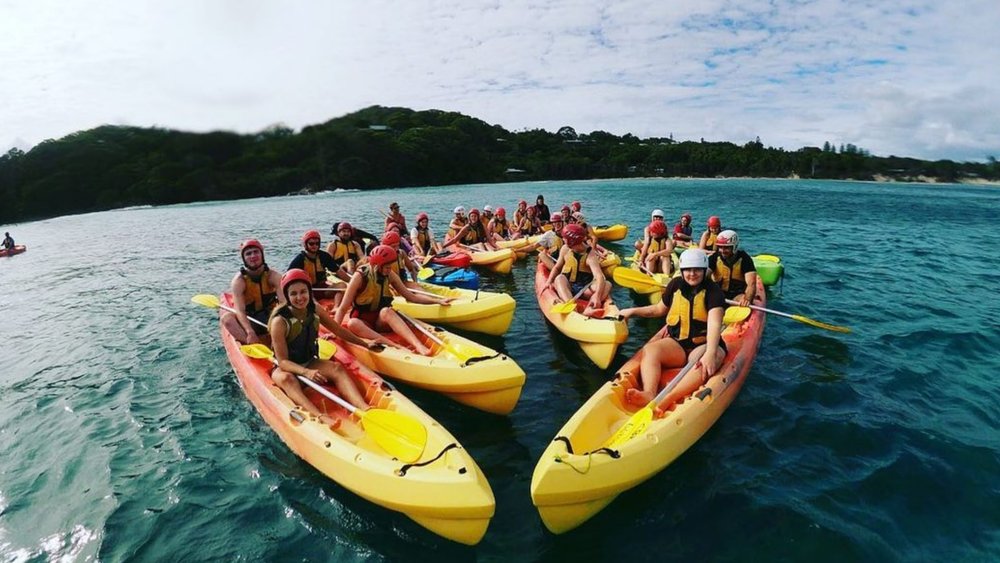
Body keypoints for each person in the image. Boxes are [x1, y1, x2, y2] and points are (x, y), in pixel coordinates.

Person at [618, 248, 727, 410]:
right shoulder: (675, 285)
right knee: (650, 350)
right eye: (688, 270)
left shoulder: (713, 292)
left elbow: (714, 324)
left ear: (704, 270)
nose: (692, 274)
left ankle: (670, 397)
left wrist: (711, 353)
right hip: (678, 344)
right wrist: (632, 312)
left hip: (704, 344)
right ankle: (649, 393)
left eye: (697, 270)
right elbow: (658, 310)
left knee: (700, 362)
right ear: (682, 271)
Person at [269, 269, 379, 423]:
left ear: (309, 291)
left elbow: (339, 330)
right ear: (287, 296)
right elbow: (283, 362)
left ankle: (364, 408)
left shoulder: (315, 310)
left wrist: (365, 344)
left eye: (303, 292)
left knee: (337, 368)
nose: (299, 298)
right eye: (293, 294)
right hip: (287, 368)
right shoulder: (279, 322)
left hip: (309, 361)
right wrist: (306, 372)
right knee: (288, 379)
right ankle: (320, 416)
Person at [335, 245, 453, 356]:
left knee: (387, 311)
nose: (389, 269)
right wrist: (333, 330)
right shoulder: (359, 277)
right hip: (363, 323)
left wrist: (437, 301)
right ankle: (393, 345)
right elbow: (343, 308)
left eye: (390, 266)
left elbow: (411, 297)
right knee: (352, 323)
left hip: (380, 321)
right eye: (386, 267)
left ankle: (418, 345)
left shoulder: (389, 274)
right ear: (377, 266)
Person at [222, 239, 284, 345]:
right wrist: (249, 331)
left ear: (262, 255)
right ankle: (253, 344)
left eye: (256, 252)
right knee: (227, 319)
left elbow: (284, 304)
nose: (253, 256)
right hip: (250, 319)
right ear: (244, 259)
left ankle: (279, 341)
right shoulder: (239, 281)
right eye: (248, 254)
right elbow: (240, 311)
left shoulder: (273, 276)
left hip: (270, 317)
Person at [544, 224, 611, 317]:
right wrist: (549, 281)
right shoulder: (565, 249)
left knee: (607, 284)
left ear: (571, 241)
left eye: (565, 238)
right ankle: (571, 306)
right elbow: (557, 267)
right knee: (559, 278)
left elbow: (598, 276)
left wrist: (597, 296)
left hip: (584, 289)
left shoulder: (590, 254)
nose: (563, 239)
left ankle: (590, 308)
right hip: (568, 286)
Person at [708, 230, 757, 307]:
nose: (722, 251)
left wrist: (747, 299)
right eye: (720, 247)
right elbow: (705, 275)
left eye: (726, 248)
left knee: (742, 300)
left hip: (737, 295)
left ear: (734, 247)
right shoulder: (714, 258)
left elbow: (751, 283)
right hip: (718, 294)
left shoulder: (745, 259)